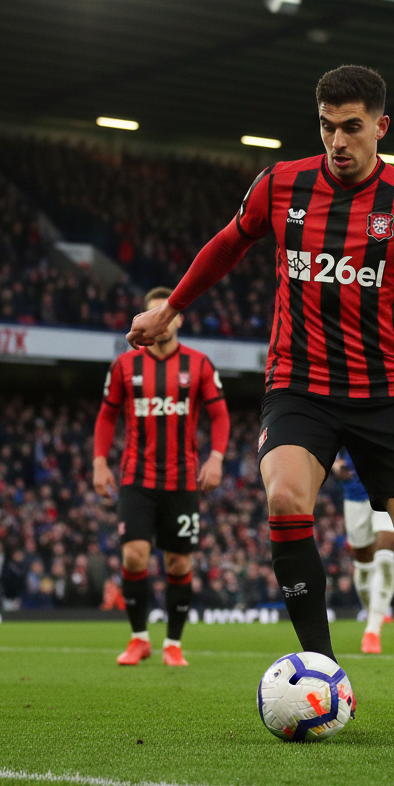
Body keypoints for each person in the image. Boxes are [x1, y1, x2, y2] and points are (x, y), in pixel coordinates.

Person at [125, 65, 394, 726]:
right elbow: (224, 247)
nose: (337, 141)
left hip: (383, 396)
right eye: (326, 127)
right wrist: (170, 308)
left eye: (351, 127)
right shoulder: (280, 184)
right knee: (285, 497)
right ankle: (325, 674)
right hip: (299, 388)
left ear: (381, 127)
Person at [94, 286, 230, 667]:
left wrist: (216, 457)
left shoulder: (200, 364)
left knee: (179, 565)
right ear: (145, 320)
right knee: (134, 556)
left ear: (177, 319)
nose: (162, 322)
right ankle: (139, 639)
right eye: (155, 314)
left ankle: (173, 643)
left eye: (167, 315)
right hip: (137, 477)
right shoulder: (124, 366)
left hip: (183, 480)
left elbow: (220, 415)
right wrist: (98, 462)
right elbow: (107, 415)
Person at [332, 451, 394, 654]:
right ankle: (374, 611)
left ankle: (372, 631)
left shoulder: (391, 418)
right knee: (363, 565)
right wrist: (333, 463)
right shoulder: (345, 416)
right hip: (355, 494)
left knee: (386, 559)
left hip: (389, 489)